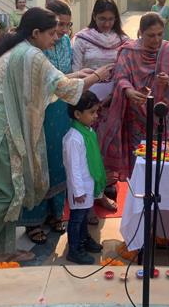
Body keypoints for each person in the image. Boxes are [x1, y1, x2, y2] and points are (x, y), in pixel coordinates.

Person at [0, 7, 111, 269]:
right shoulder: (32, 54)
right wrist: (97, 76)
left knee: (9, 191)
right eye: (52, 33)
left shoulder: (18, 48)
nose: (57, 38)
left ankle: (4, 252)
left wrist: (76, 75)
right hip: (2, 126)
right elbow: (63, 89)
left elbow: (45, 83)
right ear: (36, 32)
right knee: (8, 193)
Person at [20, 0, 108, 243]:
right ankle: (33, 221)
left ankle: (56, 213)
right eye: (59, 25)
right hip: (41, 110)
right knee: (40, 162)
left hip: (63, 108)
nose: (64, 30)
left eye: (68, 25)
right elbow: (46, 82)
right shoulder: (34, 49)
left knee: (62, 160)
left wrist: (76, 76)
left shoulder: (66, 43)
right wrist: (92, 76)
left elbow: (62, 76)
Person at [100, 12, 169, 181]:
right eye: (151, 35)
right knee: (139, 162)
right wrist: (129, 91)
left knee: (165, 161)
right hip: (136, 118)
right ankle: (140, 196)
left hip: (163, 118)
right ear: (140, 32)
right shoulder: (129, 51)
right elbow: (120, 77)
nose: (156, 39)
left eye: (160, 34)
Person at [72, 0, 129, 218]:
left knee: (109, 146)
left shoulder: (123, 40)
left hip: (114, 102)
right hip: (87, 103)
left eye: (111, 19)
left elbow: (126, 70)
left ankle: (105, 186)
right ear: (94, 16)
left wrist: (115, 94)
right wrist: (87, 100)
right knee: (88, 151)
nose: (106, 23)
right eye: (102, 18)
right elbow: (76, 70)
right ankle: (88, 195)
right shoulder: (82, 39)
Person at [63, 91, 106, 264]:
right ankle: (74, 250)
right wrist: (78, 191)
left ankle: (84, 240)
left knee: (84, 216)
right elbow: (73, 169)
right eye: (92, 112)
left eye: (96, 111)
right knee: (76, 219)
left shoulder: (88, 132)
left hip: (88, 184)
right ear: (77, 114)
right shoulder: (73, 139)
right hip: (79, 188)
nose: (96, 116)